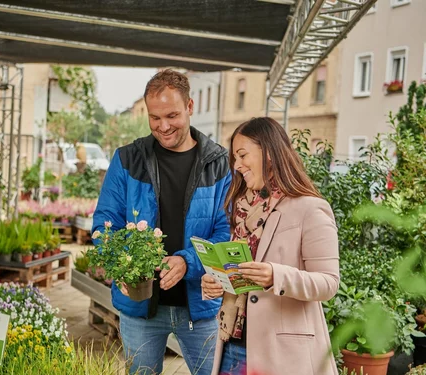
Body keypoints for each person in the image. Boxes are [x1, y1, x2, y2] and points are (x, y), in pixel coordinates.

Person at [92, 69, 232, 375]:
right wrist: (123, 265)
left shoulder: (219, 163)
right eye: (155, 118)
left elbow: (227, 230)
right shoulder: (127, 159)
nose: (164, 126)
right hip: (140, 309)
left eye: (172, 115)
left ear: (190, 107)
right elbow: (105, 225)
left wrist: (187, 263)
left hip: (202, 307)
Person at [202, 117, 339, 375]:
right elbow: (245, 278)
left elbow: (329, 283)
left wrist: (276, 276)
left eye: (242, 155)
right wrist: (219, 282)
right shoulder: (243, 209)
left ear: (268, 153)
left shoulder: (310, 208)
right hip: (232, 344)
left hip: (283, 355)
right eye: (234, 157)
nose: (236, 165)